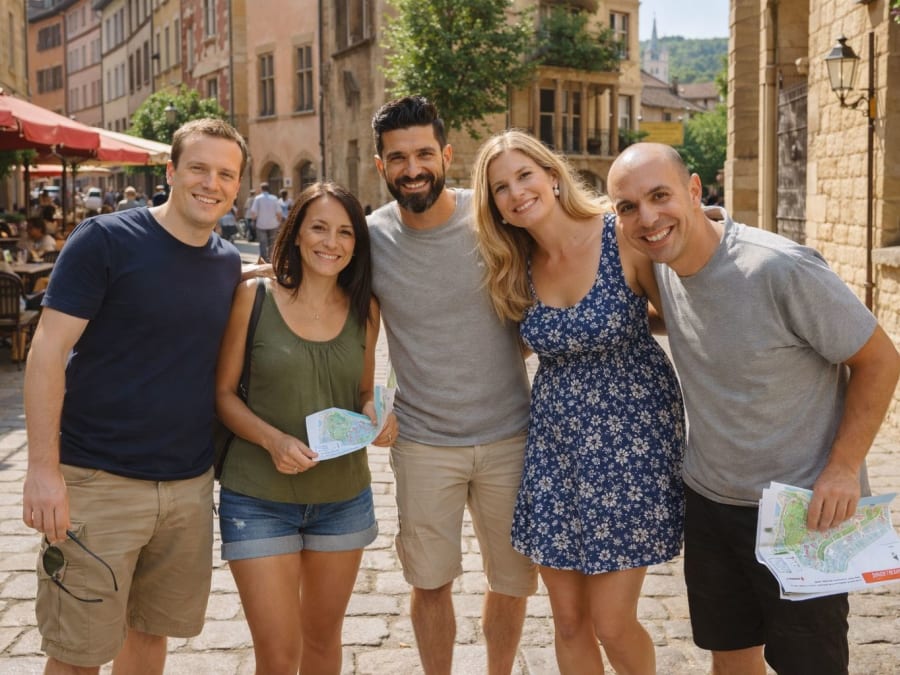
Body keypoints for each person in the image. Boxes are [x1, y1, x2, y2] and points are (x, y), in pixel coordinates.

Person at [606, 142, 900, 675]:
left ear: (694, 191)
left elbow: (880, 360)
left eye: (660, 196)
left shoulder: (780, 268)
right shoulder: (663, 268)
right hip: (711, 503)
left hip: (803, 512)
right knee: (730, 658)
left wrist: (841, 470)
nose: (647, 218)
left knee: (810, 665)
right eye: (628, 207)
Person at [21, 117, 247, 674]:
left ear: (237, 186)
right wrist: (43, 470)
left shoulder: (227, 264)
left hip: (189, 486)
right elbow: (46, 352)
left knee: (150, 637)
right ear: (171, 171)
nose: (210, 183)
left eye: (225, 173)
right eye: (198, 168)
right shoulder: (106, 240)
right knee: (77, 655)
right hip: (98, 484)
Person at [471, 130, 685, 674]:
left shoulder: (621, 236)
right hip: (556, 450)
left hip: (632, 446)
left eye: (525, 175)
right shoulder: (512, 264)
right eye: (501, 187)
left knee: (612, 622)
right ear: (493, 204)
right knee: (567, 621)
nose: (517, 192)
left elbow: (685, 323)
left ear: (551, 173)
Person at [368, 96, 537, 675]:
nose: (411, 168)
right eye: (397, 158)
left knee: (512, 580)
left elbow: (573, 241)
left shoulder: (492, 220)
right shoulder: (369, 240)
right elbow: (354, 328)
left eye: (422, 154)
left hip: (511, 435)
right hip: (421, 441)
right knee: (428, 581)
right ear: (380, 166)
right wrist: (367, 402)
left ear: (445, 155)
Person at [216, 181, 396, 673]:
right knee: (277, 654)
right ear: (295, 233)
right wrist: (272, 440)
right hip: (256, 498)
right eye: (318, 227)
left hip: (342, 500)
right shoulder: (252, 297)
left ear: (356, 244)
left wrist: (375, 415)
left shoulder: (366, 310)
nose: (330, 242)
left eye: (344, 233)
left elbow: (362, 390)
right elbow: (223, 396)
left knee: (321, 644)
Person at [248, 182, 283, 262]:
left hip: (261, 225)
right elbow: (279, 213)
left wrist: (253, 221)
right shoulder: (274, 198)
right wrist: (279, 222)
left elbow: (253, 212)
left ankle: (264, 260)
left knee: (263, 243)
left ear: (261, 189)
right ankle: (271, 259)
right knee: (272, 243)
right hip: (273, 224)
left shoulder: (258, 198)